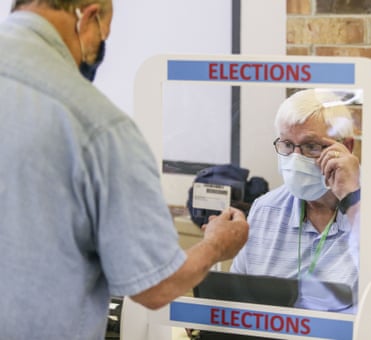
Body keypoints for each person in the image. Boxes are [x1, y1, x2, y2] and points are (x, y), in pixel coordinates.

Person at [0, 1, 248, 339]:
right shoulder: (99, 126)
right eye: (103, 37)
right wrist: (217, 245)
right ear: (88, 17)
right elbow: (157, 287)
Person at [230, 89, 371, 339]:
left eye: (311, 146)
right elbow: (237, 301)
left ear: (346, 148)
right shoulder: (267, 209)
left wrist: (353, 200)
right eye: (287, 145)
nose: (295, 159)